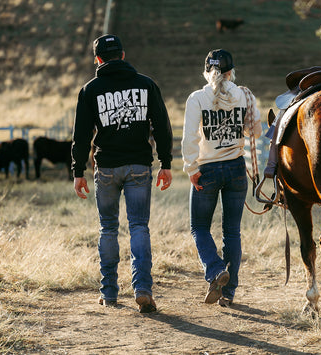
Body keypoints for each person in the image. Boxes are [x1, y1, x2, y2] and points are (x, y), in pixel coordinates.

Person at [71, 34, 173, 313]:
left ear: (98, 59)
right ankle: (143, 289)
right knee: (139, 226)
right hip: (139, 165)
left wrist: (77, 171)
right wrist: (166, 163)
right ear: (123, 55)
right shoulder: (146, 84)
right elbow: (162, 126)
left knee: (108, 228)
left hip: (106, 168)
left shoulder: (90, 90)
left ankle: (109, 293)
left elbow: (81, 136)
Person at [181, 49, 262, 307]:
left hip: (208, 169)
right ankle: (228, 294)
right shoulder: (245, 95)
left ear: (207, 72)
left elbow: (189, 138)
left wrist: (191, 168)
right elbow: (256, 131)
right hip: (237, 168)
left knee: (200, 227)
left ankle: (216, 271)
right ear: (231, 72)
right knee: (232, 232)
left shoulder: (197, 98)